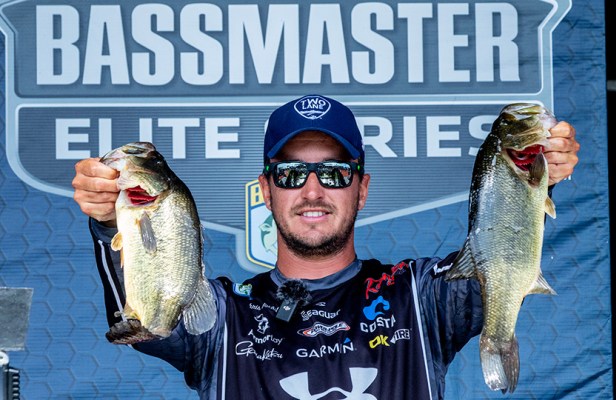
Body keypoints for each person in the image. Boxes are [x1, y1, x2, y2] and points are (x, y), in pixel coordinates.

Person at [72, 94, 580, 399]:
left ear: (361, 188)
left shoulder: (423, 298)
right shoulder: (222, 317)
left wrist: (535, 181)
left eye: (334, 172)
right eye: (292, 173)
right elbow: (146, 320)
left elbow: (498, 251)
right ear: (266, 191)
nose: (312, 190)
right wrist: (107, 221)